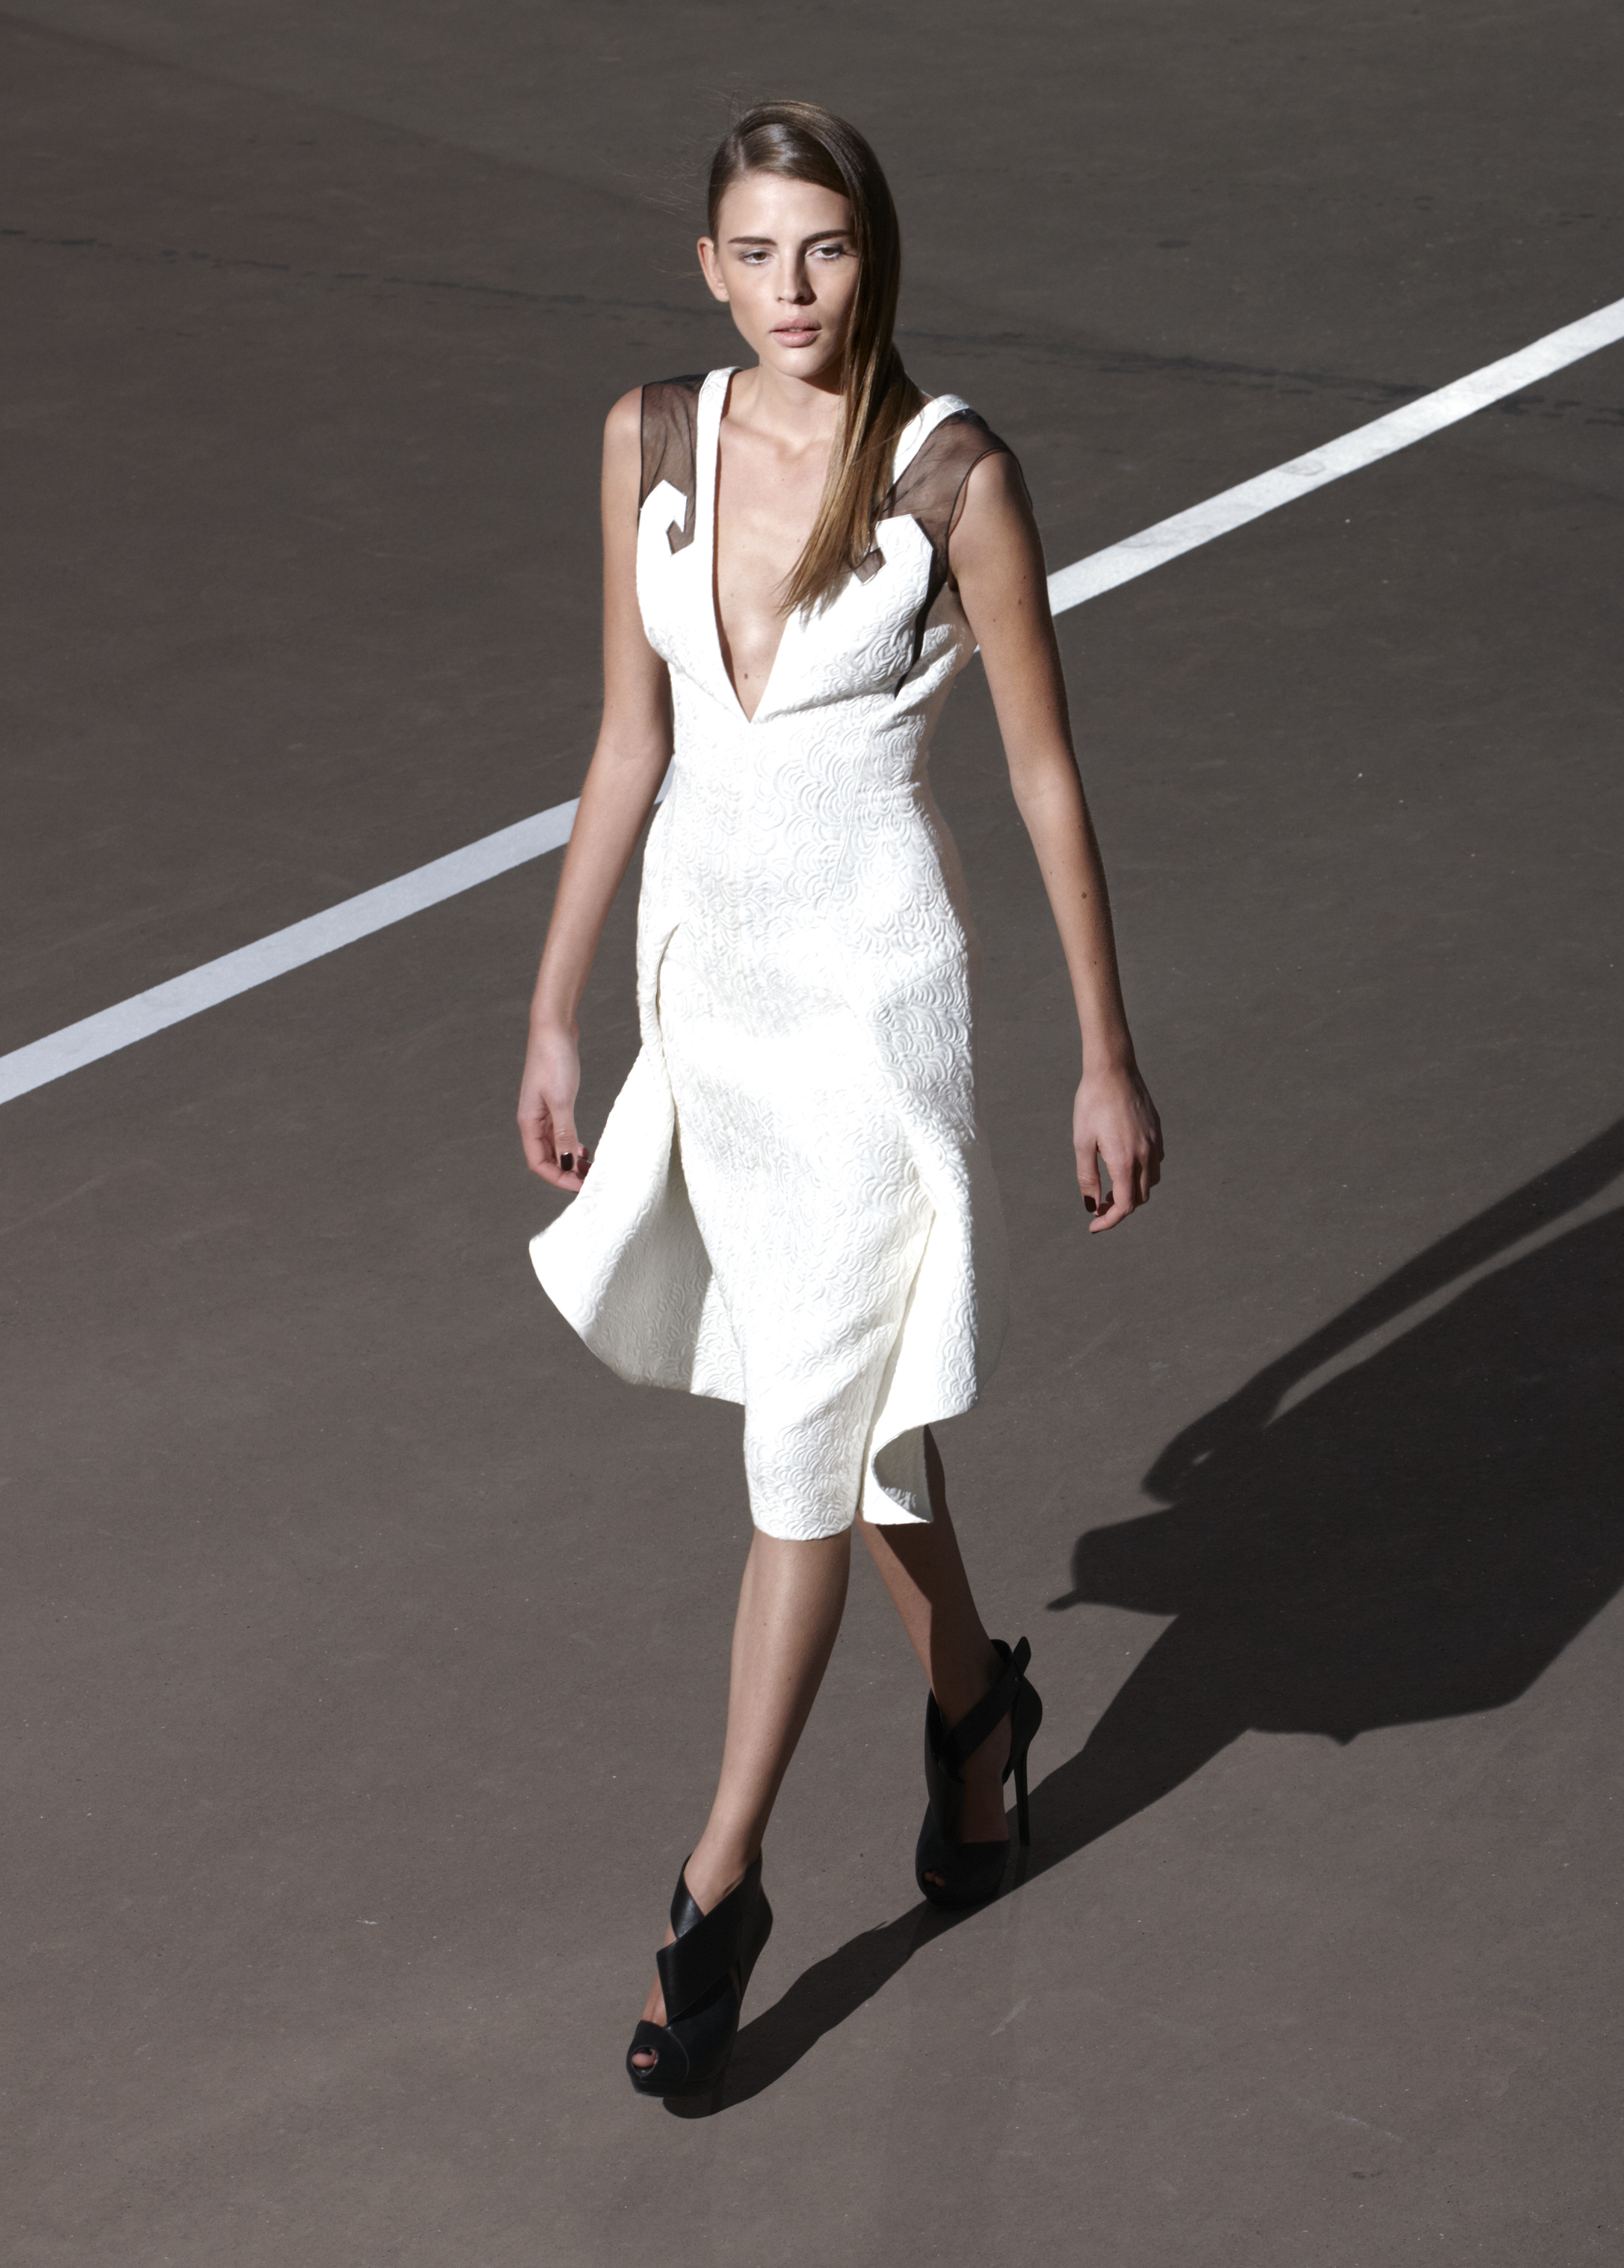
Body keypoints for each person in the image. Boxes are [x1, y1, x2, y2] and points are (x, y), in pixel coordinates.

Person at [516, 100, 1162, 2098]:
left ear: (875, 255)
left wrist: (1105, 1049)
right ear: (707, 269)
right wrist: (555, 1010)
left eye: (828, 248)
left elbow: (1044, 774)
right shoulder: (648, 443)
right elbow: (626, 746)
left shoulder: (954, 478)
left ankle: (719, 1890)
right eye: (757, 253)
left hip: (877, 1017)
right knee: (858, 1412)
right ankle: (978, 1712)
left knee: (801, 1437)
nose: (794, 289)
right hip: (710, 1000)